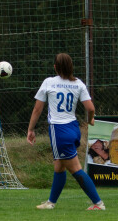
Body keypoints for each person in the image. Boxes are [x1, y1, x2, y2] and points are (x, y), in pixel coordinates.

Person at [27, 53, 105, 210]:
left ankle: (98, 203)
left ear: (55, 67)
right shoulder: (78, 84)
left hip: (59, 130)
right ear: (71, 67)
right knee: (59, 166)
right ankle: (51, 203)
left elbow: (37, 109)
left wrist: (30, 129)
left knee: (75, 169)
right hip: (73, 128)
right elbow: (90, 108)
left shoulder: (49, 82)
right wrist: (90, 119)